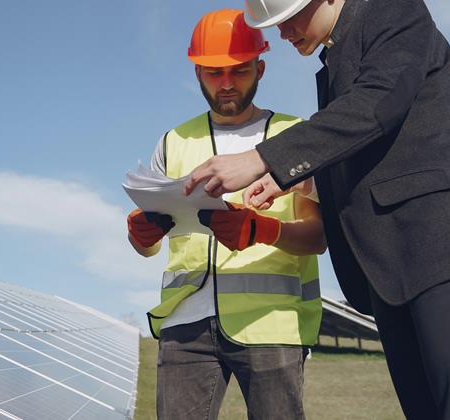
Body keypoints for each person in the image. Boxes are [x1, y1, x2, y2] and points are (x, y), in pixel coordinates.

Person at [180, 0, 450, 418]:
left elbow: (376, 104)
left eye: (287, 19)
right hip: (393, 273)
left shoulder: (395, 10)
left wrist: (262, 159)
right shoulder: (336, 59)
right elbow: (373, 158)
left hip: (446, 253)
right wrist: (298, 179)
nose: (283, 34)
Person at [126, 9, 327, 420]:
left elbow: (318, 237)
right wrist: (140, 236)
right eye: (214, 73)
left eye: (239, 71)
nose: (226, 84)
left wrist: (263, 230)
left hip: (272, 324)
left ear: (261, 67)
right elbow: (150, 247)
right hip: (186, 324)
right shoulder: (174, 141)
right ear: (197, 72)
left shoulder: (295, 135)